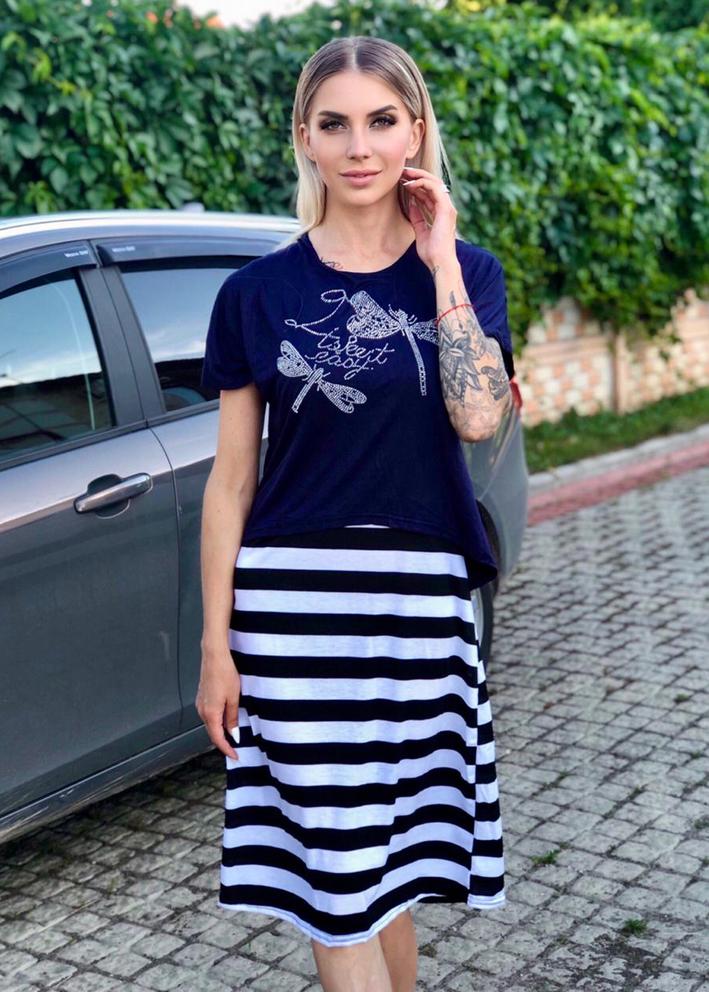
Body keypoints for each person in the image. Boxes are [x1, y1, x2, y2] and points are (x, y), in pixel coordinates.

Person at [196, 34, 514, 992]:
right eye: (333, 124)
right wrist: (216, 645)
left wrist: (440, 259)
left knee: (391, 872)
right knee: (335, 885)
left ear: (415, 130)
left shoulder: (469, 273)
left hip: (419, 608)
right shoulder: (254, 294)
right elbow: (230, 482)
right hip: (293, 614)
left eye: (381, 121)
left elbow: (476, 417)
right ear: (304, 137)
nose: (359, 146)